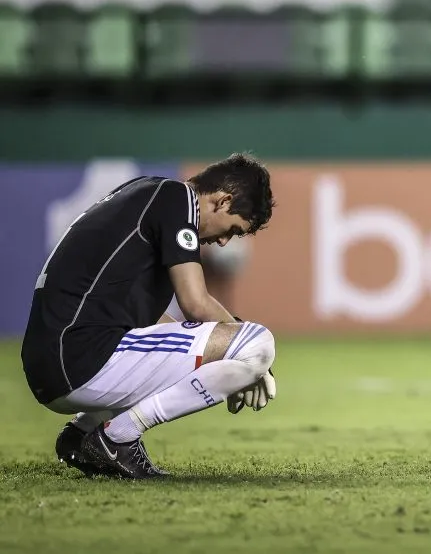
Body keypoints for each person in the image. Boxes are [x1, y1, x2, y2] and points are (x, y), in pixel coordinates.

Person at [20, 152, 278, 480]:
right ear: (222, 200)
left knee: (226, 344)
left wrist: (230, 359)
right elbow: (196, 304)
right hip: (80, 357)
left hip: (52, 364)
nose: (224, 241)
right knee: (258, 343)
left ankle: (83, 432)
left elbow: (155, 325)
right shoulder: (178, 199)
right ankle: (118, 438)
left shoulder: (146, 195)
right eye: (233, 230)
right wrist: (250, 356)